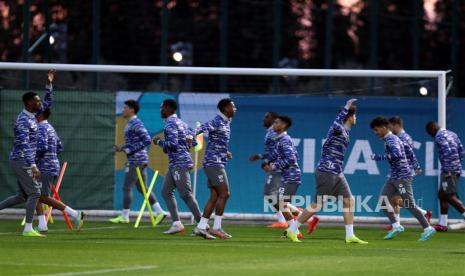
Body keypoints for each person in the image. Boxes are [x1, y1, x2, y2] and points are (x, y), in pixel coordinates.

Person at [286, 99, 367, 244]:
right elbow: (336, 123)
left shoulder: (345, 132)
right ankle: (292, 229)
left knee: (349, 201)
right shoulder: (337, 128)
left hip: (337, 172)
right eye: (354, 115)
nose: (356, 118)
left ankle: (350, 235)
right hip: (326, 170)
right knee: (318, 203)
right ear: (349, 116)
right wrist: (346, 107)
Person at [0, 70, 55, 237]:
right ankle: (28, 228)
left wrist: (49, 84)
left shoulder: (34, 115)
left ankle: (32, 226)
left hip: (26, 160)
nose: (40, 103)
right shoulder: (23, 120)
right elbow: (24, 145)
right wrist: (33, 165)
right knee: (35, 193)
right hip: (21, 160)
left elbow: (49, 101)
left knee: (21, 195)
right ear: (29, 103)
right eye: (37, 100)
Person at [371, 116, 435, 241]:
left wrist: (379, 157)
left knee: (409, 204)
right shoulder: (394, 138)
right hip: (394, 176)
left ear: (384, 128)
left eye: (376, 129)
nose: (375, 133)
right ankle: (396, 226)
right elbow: (409, 151)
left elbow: (398, 155)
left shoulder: (391, 139)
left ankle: (428, 228)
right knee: (383, 201)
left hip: (401, 177)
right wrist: (417, 166)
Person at [110, 100, 166, 224]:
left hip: (136, 161)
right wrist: (121, 148)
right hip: (138, 159)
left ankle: (125, 216)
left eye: (125, 108)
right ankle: (160, 212)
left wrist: (130, 149)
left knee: (126, 187)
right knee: (142, 188)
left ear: (132, 110)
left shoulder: (136, 123)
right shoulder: (130, 123)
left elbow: (147, 140)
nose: (123, 110)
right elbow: (134, 143)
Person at [153, 99, 203, 234]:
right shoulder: (182, 123)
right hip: (177, 163)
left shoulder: (170, 124)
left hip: (179, 163)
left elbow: (173, 144)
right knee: (165, 191)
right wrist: (169, 146)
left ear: (169, 109)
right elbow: (192, 143)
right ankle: (177, 223)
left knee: (186, 194)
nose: (161, 110)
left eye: (162, 108)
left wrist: (159, 142)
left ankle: (202, 224)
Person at [192, 98, 236, 240]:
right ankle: (217, 228)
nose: (235, 109)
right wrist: (189, 135)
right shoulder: (217, 121)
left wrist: (225, 152)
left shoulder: (225, 123)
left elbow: (217, 141)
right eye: (233, 107)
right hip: (213, 163)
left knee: (215, 196)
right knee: (225, 193)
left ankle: (200, 227)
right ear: (225, 108)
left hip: (217, 161)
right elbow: (201, 128)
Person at [34, 108, 85, 232]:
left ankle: (75, 214)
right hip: (52, 165)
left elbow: (42, 147)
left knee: (42, 196)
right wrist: (51, 156)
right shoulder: (50, 127)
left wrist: (34, 160)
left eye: (36, 113)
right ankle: (42, 225)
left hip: (44, 166)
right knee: (36, 195)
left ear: (40, 115)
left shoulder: (41, 128)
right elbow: (60, 147)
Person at [383, 116, 432, 231]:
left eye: (390, 126)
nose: (389, 129)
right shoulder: (403, 137)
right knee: (394, 200)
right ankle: (397, 224)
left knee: (400, 200)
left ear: (396, 125)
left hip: (402, 174)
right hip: (399, 173)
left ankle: (422, 216)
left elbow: (404, 156)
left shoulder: (401, 138)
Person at [262, 116, 304, 239]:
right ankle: (294, 231)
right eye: (274, 122)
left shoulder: (285, 140)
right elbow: (291, 155)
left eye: (276, 123)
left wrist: (273, 166)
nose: (274, 125)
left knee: (281, 204)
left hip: (292, 176)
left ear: (284, 125)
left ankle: (295, 229)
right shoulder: (280, 140)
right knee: (280, 204)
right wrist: (266, 162)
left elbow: (292, 159)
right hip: (287, 176)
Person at [426, 121, 465, 231]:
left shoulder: (439, 136)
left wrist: (448, 166)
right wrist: (456, 163)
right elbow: (461, 151)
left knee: (448, 195)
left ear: (434, 128)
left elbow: (446, 151)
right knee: (442, 195)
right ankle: (442, 224)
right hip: (456, 168)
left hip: (448, 170)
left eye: (430, 132)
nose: (431, 135)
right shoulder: (453, 134)